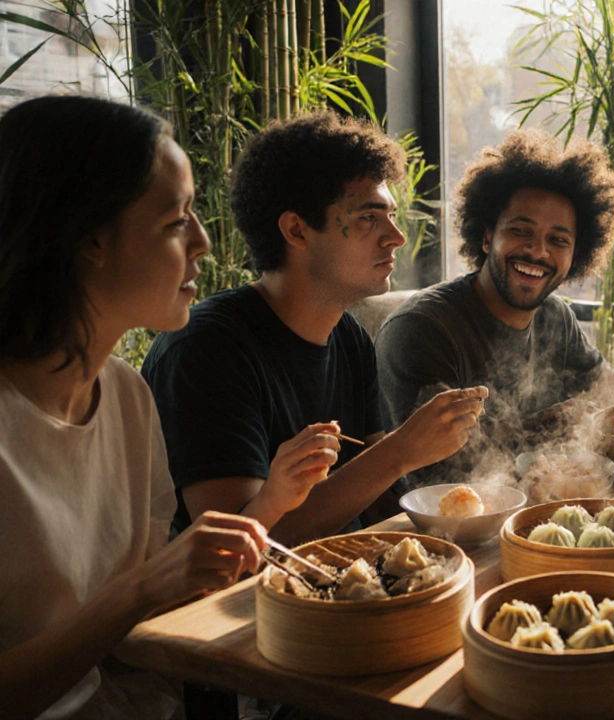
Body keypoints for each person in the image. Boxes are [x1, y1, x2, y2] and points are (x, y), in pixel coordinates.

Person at [0, 96, 268, 720]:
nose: (203, 242)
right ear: (90, 239)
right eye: (177, 220)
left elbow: (129, 641)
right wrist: (143, 588)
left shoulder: (124, 395)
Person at [142, 112, 487, 545]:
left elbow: (376, 498)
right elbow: (232, 550)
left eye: (392, 216)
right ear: (296, 230)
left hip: (345, 575)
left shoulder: (348, 335)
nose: (396, 236)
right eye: (368, 218)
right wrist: (401, 451)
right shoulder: (205, 349)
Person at [376, 129, 614, 487]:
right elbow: (440, 470)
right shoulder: (423, 329)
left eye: (558, 240)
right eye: (521, 230)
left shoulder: (556, 318)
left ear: (576, 257)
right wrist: (551, 424)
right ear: (486, 237)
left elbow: (604, 392)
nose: (538, 251)